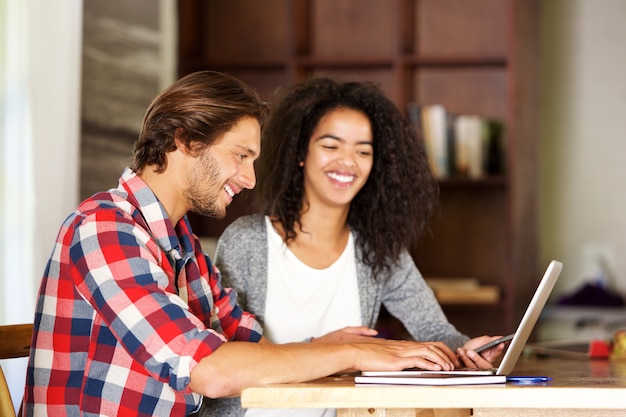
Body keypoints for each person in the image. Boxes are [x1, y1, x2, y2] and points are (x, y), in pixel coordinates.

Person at [23, 71, 471, 417]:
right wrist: (355, 351)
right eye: (240, 156)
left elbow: (248, 345)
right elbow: (212, 371)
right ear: (187, 140)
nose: (249, 179)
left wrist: (331, 348)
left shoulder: (181, 245)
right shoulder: (105, 230)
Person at [201, 78, 506, 417]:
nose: (348, 162)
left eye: (363, 151)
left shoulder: (379, 250)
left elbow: (434, 332)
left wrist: (466, 351)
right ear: (300, 153)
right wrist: (328, 351)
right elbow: (224, 358)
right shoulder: (247, 241)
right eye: (331, 146)